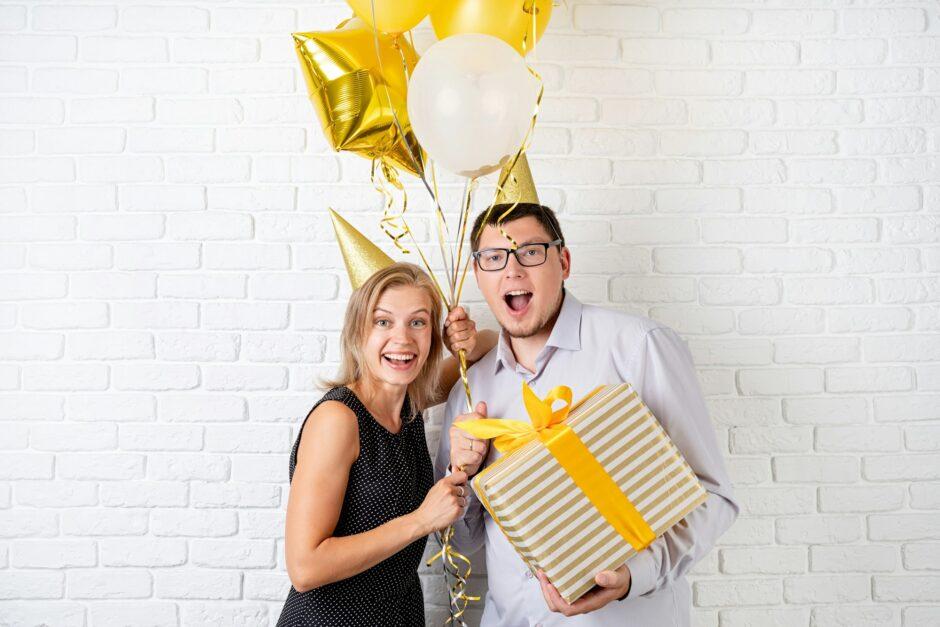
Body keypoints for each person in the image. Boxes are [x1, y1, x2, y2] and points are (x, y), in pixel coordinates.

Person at [435, 203, 740, 626]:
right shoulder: (471, 391)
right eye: (494, 258)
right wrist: (461, 475)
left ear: (563, 261)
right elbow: (460, 547)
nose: (512, 270)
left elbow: (712, 497)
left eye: (530, 252)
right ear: (478, 275)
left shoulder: (637, 348)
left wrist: (633, 575)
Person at [278, 262, 497, 627]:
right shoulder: (338, 420)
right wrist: (421, 520)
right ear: (358, 332)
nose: (403, 339)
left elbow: (487, 346)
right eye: (383, 321)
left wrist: (466, 341)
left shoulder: (409, 403)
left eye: (417, 322)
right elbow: (305, 567)